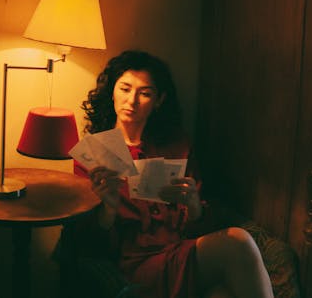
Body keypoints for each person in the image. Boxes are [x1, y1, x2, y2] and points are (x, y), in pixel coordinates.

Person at [60, 50, 274, 298]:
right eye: (125, 89)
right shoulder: (94, 153)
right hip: (134, 266)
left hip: (180, 250)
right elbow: (88, 247)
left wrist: (194, 205)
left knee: (221, 295)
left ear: (159, 100)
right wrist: (108, 209)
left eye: (145, 93)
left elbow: (201, 228)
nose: (132, 100)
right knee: (239, 240)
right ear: (112, 92)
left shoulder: (176, 145)